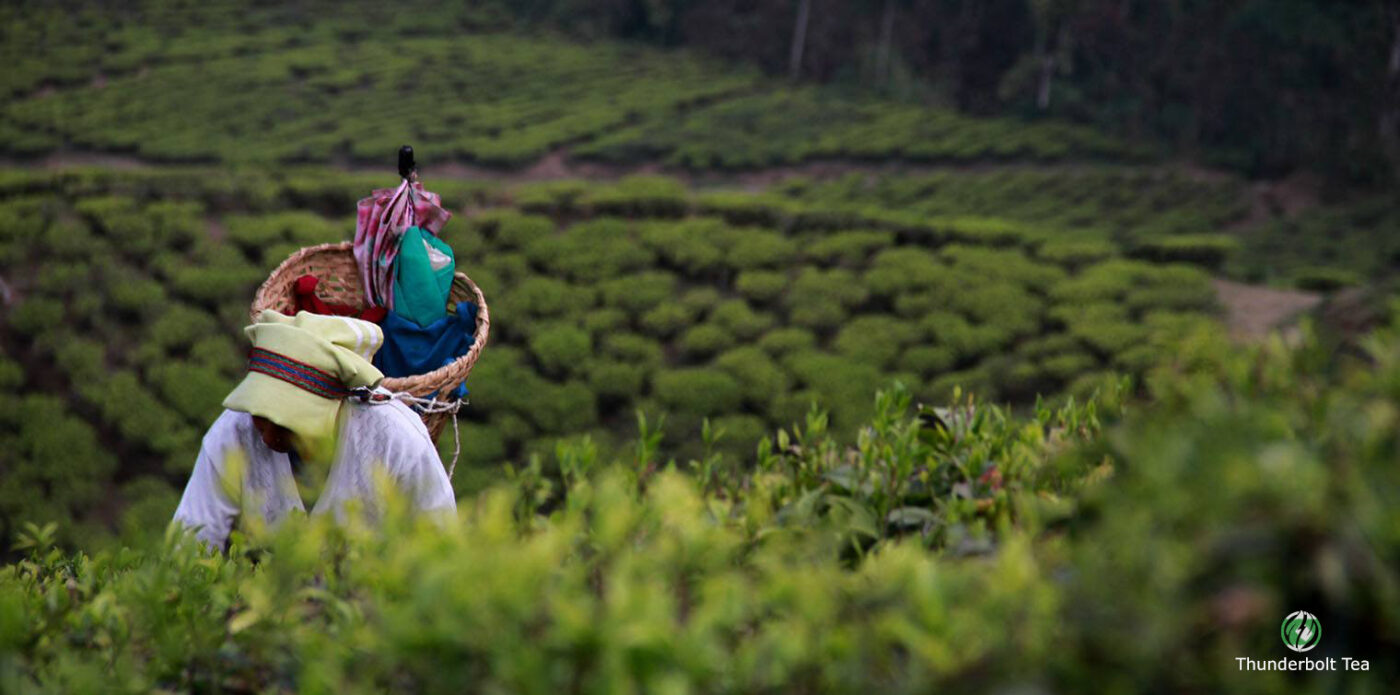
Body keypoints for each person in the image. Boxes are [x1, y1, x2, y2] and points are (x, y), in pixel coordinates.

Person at [172, 310, 455, 550]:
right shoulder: (232, 431)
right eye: (260, 416)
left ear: (335, 406)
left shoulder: (396, 439)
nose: (268, 436)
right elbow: (190, 543)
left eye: (287, 426)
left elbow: (439, 548)